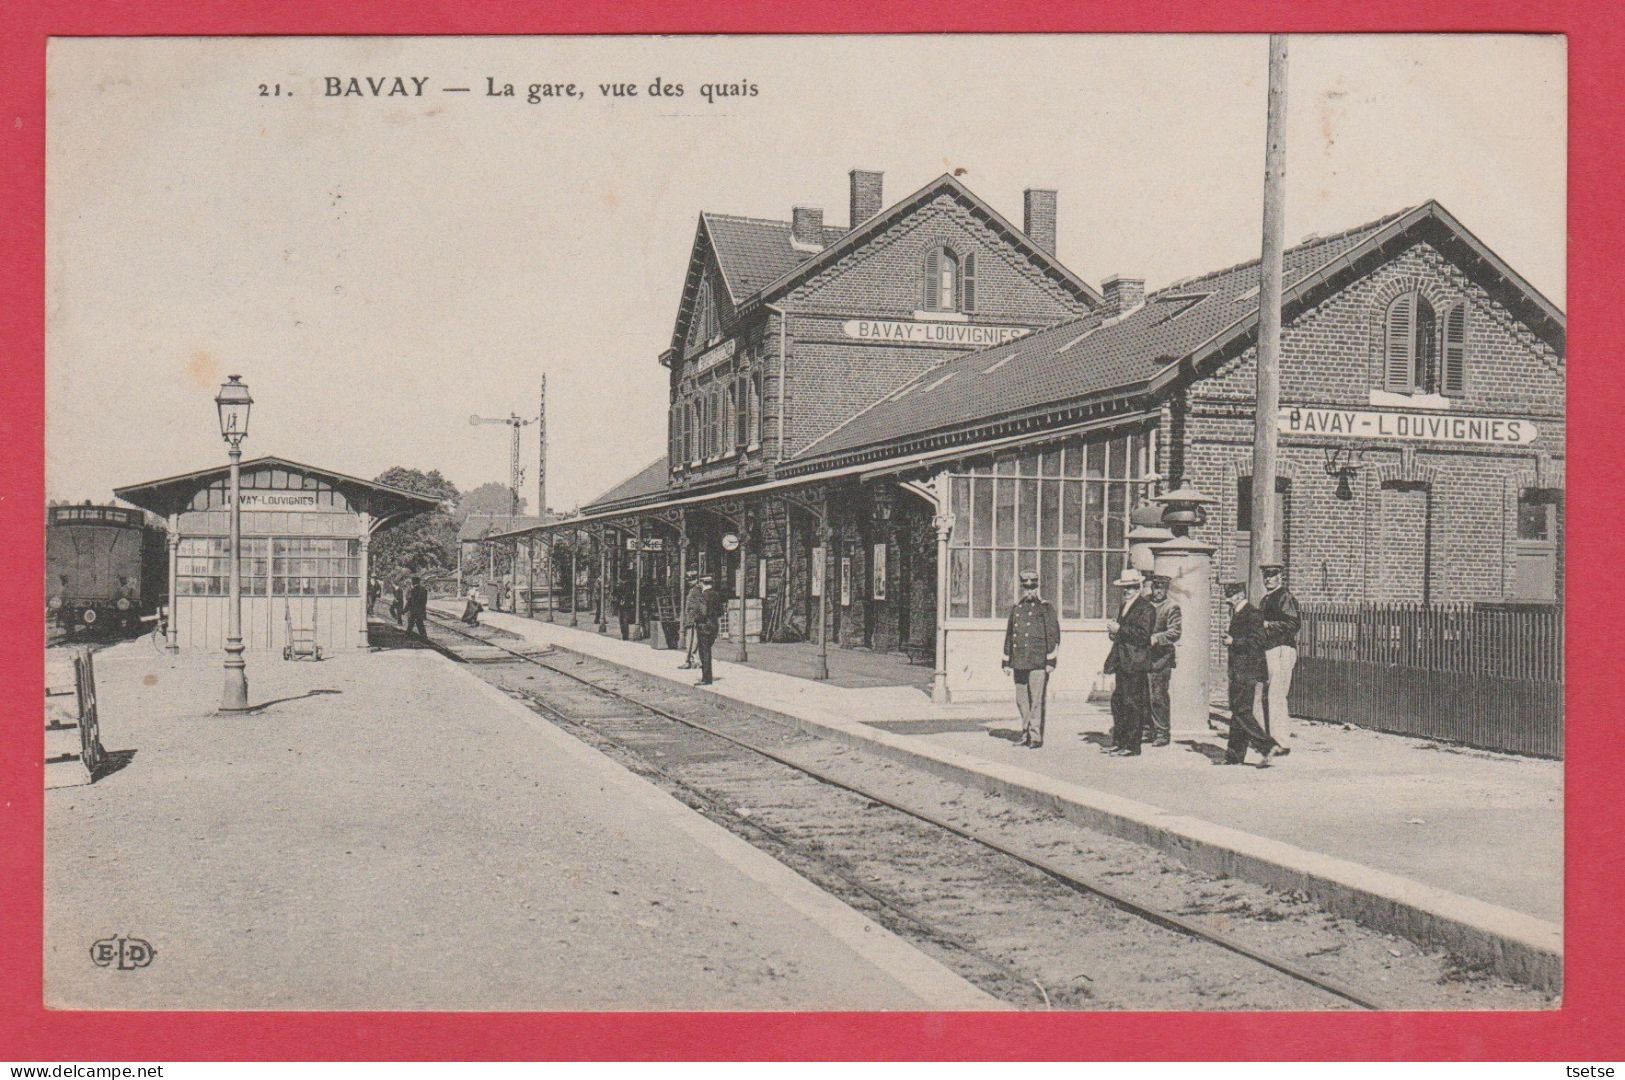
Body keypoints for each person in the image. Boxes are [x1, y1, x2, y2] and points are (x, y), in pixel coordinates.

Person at [1221, 581, 1289, 766]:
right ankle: (1234, 756)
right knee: (1238, 711)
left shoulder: (1253, 614)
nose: (1227, 601)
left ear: (1240, 596)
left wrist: (1233, 641)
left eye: (1230, 597)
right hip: (1239, 669)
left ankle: (1268, 746)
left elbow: (1257, 642)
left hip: (1247, 670)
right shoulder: (1237, 613)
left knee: (1241, 711)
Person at [1001, 568, 1061, 748]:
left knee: (1036, 700)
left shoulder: (1046, 608)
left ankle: (1035, 736)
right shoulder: (1016, 608)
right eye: (1026, 588)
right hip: (1019, 661)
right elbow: (1010, 635)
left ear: (1037, 587)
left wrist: (1051, 661)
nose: (1030, 591)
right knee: (1021, 700)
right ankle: (1025, 732)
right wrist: (1006, 661)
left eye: (1032, 587)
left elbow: (1053, 635)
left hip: (1037, 661)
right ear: (1022, 588)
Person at [1102, 566, 1156, 757]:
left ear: (1139, 587)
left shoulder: (1146, 608)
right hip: (1123, 661)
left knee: (1133, 704)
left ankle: (1132, 746)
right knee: (1119, 703)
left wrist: (1120, 630)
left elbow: (1143, 635)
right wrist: (1114, 634)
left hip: (1135, 663)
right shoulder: (1124, 606)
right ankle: (1119, 741)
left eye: (1132, 587)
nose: (1127, 590)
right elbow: (1125, 633)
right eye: (1125, 587)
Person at [1258, 561, 1301, 740]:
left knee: (1277, 694)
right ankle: (1273, 735)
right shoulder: (1267, 598)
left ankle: (1279, 739)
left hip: (1282, 648)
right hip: (1271, 648)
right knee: (1271, 693)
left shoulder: (1284, 596)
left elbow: (1293, 624)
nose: (1268, 579)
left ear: (1279, 577)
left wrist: (1268, 625)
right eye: (1265, 576)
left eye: (1271, 575)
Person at [1145, 572, 1182, 748]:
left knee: (1158, 696)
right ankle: (1148, 729)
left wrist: (1157, 638)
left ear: (1166, 589)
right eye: (1155, 587)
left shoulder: (1171, 607)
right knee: (1144, 694)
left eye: (1161, 588)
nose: (1158, 591)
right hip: (1144, 657)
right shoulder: (1145, 603)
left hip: (1162, 658)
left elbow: (1175, 632)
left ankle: (1162, 732)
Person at [686, 573, 722, 685]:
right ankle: (707, 677)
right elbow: (720, 612)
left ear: (702, 583)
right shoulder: (716, 594)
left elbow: (703, 612)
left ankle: (706, 678)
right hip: (714, 625)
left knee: (704, 652)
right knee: (707, 651)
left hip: (704, 626)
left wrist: (695, 619)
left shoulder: (703, 595)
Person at [679, 569, 702, 670]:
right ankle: (695, 661)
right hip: (690, 619)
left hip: (692, 620)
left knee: (691, 641)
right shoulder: (693, 590)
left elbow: (696, 607)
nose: (688, 582)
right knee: (693, 641)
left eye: (690, 579)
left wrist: (692, 619)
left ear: (695, 580)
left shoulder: (695, 591)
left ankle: (690, 661)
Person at [614, 573, 637, 640]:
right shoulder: (630, 585)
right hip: (627, 605)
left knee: (623, 620)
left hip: (623, 605)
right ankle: (625, 635)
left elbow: (615, 593)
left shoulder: (621, 586)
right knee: (624, 620)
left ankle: (624, 635)